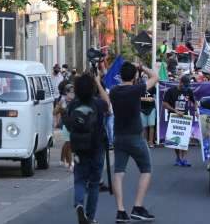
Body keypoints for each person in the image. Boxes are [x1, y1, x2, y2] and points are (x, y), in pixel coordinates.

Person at [110, 62, 159, 222]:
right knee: (146, 169)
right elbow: (155, 77)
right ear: (135, 76)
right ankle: (137, 207)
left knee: (118, 172)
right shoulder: (136, 89)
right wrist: (141, 67)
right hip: (135, 136)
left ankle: (120, 210)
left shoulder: (115, 91)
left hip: (118, 136)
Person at [66, 73, 110, 224]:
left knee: (79, 179)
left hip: (79, 147)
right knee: (94, 183)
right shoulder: (98, 103)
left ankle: (79, 203)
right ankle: (90, 217)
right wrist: (98, 83)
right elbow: (108, 104)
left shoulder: (73, 104)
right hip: (96, 147)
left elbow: (68, 123)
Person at [162, 75, 196, 167]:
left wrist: (196, 110)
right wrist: (175, 110)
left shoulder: (188, 91)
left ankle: (183, 158)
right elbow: (164, 104)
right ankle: (178, 157)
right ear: (180, 82)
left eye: (187, 86)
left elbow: (194, 101)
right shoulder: (171, 91)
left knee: (185, 139)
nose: (185, 88)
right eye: (184, 85)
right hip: (173, 117)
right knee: (175, 139)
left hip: (185, 118)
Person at [55, 84, 75, 171]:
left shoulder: (76, 100)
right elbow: (54, 112)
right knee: (69, 144)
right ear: (66, 92)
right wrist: (60, 106)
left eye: (73, 92)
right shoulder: (62, 101)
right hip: (65, 125)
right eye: (70, 92)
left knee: (68, 144)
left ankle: (63, 160)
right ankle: (70, 164)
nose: (72, 93)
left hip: (74, 125)